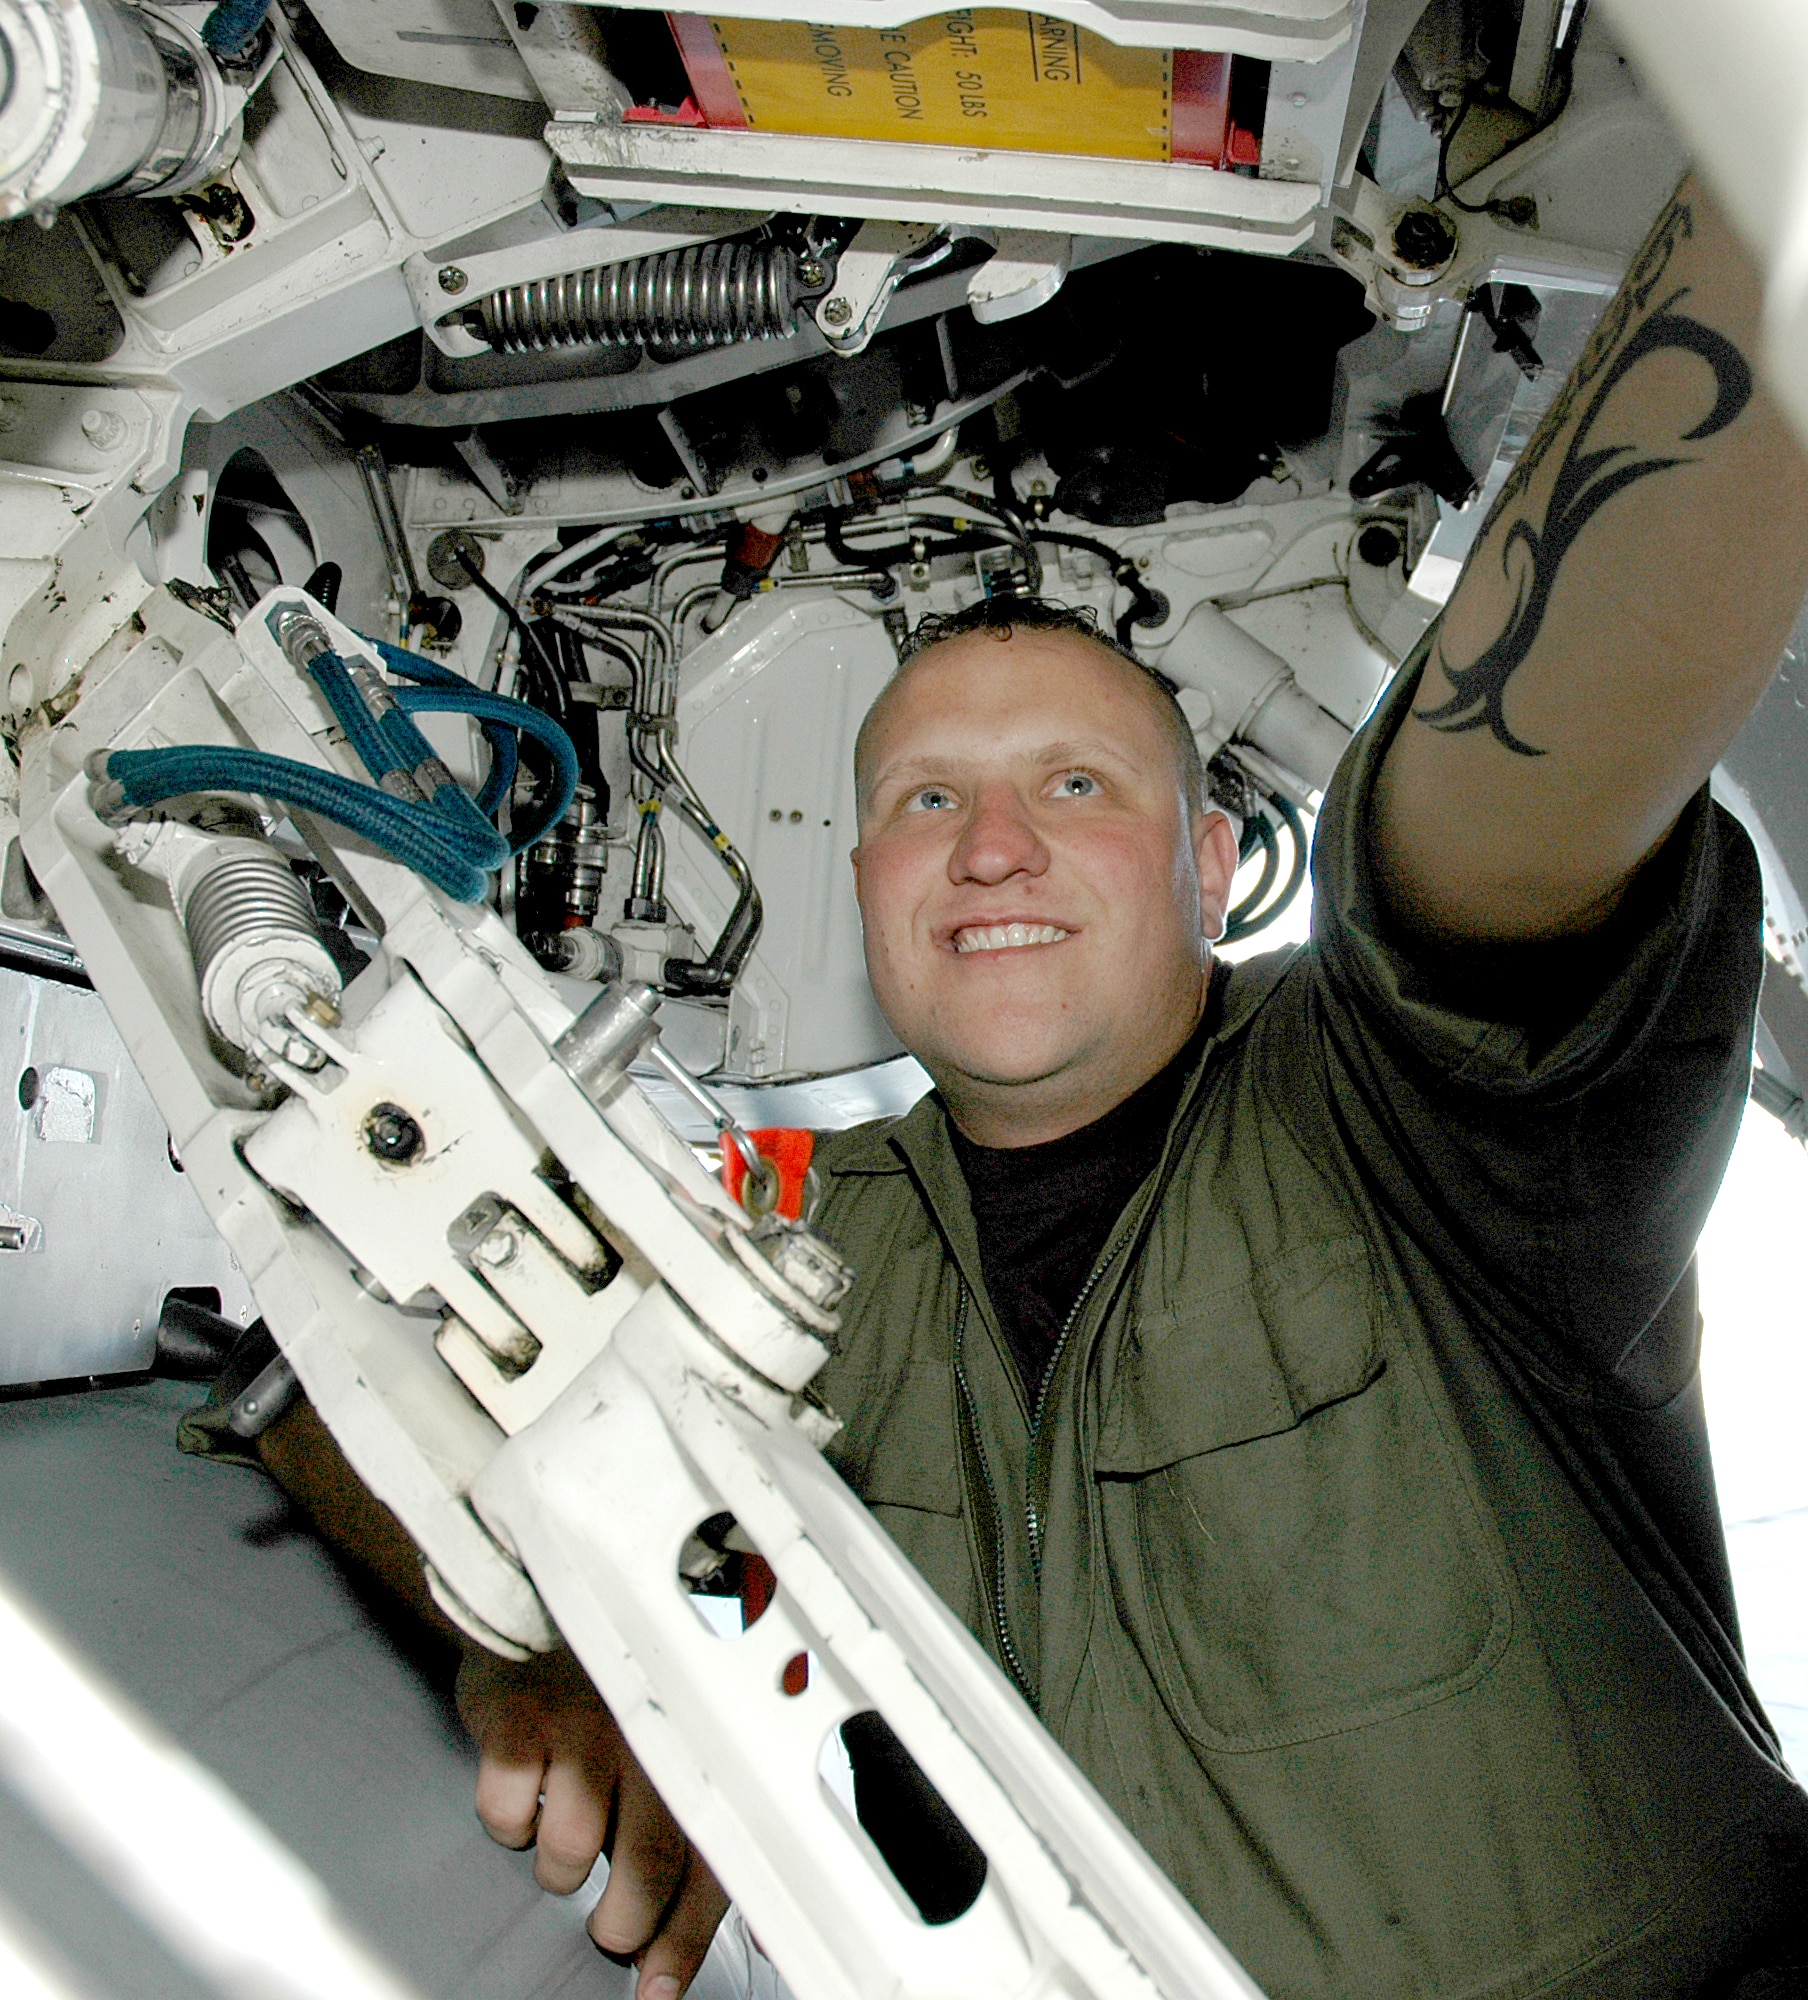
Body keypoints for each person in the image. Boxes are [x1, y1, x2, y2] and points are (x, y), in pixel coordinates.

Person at [249, 173, 1808, 1996]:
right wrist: (541, 1625)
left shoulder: (1408, 1108)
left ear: (1212, 865)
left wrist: (1767, 189)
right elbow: (327, 1367)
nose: (990, 848)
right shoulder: (788, 1231)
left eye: (1076, 785)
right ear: (864, 892)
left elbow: (1491, 828)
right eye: (929, 801)